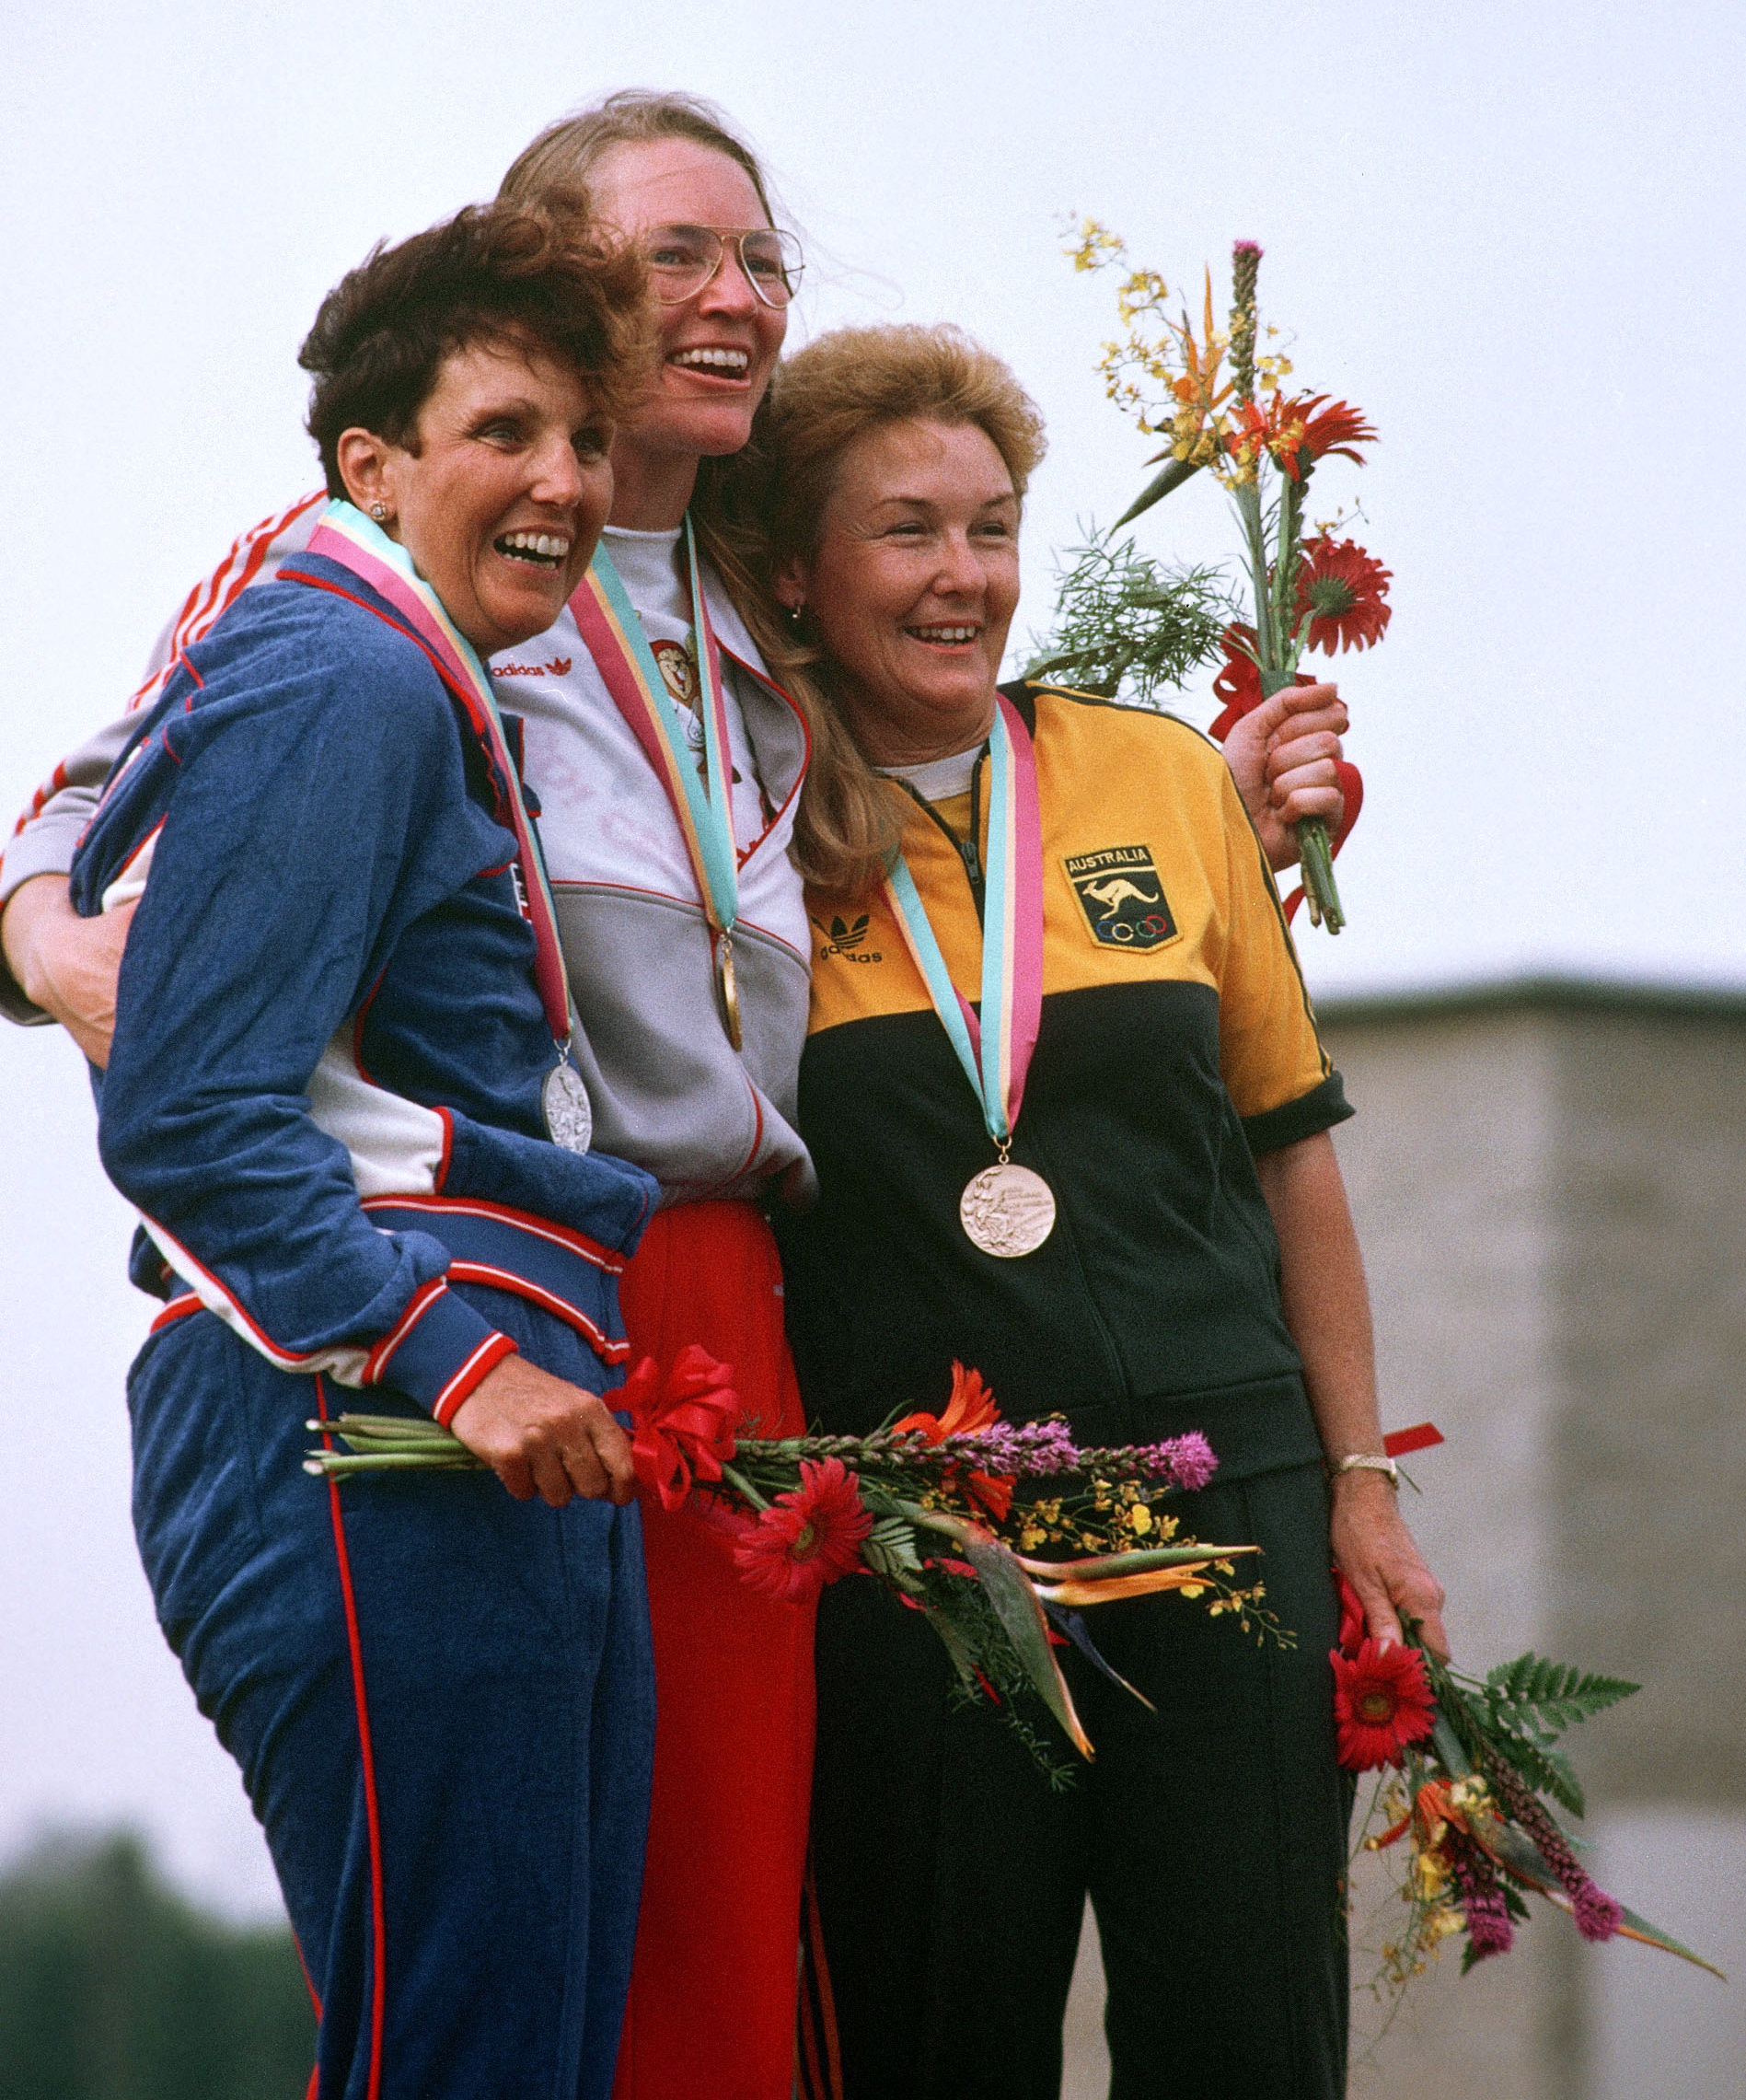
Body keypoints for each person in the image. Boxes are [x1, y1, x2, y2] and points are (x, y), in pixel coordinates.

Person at [0, 92, 1352, 2098]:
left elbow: (968, 804)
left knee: (713, 1903)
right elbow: (100, 799)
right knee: (511, 1930)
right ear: (551, 293)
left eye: (759, 263)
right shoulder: (395, 568)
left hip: (727, 1302)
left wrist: (1216, 815)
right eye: (672, 262)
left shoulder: (751, 586)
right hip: (471, 1283)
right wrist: (46, 935)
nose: (734, 298)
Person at [711, 321, 1450, 2099]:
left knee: (1247, 2038)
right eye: (907, 531)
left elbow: (1289, 1152)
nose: (962, 576)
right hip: (933, 1542)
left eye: (991, 525)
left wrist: (1359, 1484)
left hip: (1230, 1502)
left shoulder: (1161, 779)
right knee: (935, 2038)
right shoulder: (737, 830)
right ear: (797, 571)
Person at [62, 193, 666, 2098]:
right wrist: (457, 1364)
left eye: (582, 438)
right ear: (371, 461)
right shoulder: (344, 675)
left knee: (521, 2057)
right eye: (505, 432)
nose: (560, 480)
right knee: (466, 2060)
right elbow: (186, 1110)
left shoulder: (403, 672)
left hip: (460, 1434)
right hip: (369, 1428)